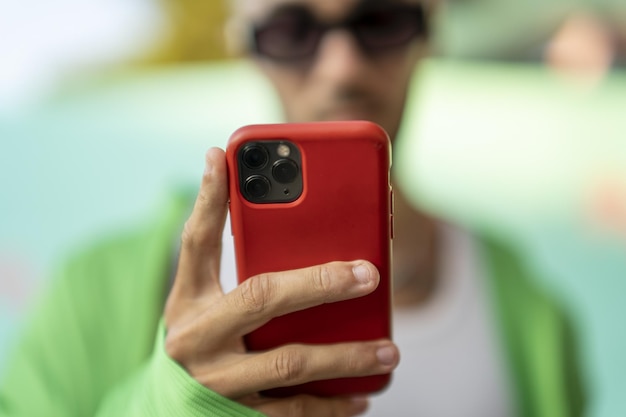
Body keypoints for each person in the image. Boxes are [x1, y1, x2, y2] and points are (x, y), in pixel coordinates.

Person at [0, 1, 585, 416]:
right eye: (291, 29)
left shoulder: (532, 312)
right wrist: (173, 404)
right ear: (246, 46)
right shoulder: (91, 293)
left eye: (379, 20)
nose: (341, 67)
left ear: (430, 28)